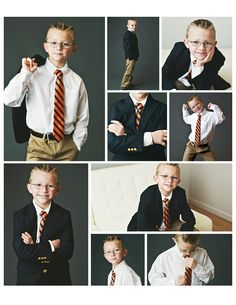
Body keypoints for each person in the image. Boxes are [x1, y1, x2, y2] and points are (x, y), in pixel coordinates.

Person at [4, 22, 89, 161]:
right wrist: (25, 73)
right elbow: (9, 100)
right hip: (38, 145)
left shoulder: (77, 81)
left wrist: (77, 144)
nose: (59, 47)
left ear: (74, 49)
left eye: (65, 44)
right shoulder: (32, 74)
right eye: (54, 42)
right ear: (46, 46)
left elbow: (83, 117)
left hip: (67, 146)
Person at [13, 164, 74, 285]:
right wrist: (51, 245)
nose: (44, 190)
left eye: (50, 186)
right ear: (29, 188)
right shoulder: (20, 216)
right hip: (28, 280)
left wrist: (33, 245)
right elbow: (21, 252)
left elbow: (67, 252)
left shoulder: (64, 215)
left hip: (58, 279)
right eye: (38, 185)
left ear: (57, 189)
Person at [162, 18, 231, 90]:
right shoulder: (179, 49)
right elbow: (165, 74)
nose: (201, 48)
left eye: (208, 43)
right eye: (195, 42)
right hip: (177, 81)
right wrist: (172, 91)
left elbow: (203, 88)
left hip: (197, 84)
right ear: (187, 43)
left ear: (214, 44)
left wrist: (199, 65)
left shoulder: (218, 58)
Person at [127, 163, 196, 231]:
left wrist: (183, 231)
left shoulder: (180, 193)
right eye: (165, 176)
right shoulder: (148, 195)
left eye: (174, 177)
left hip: (170, 223)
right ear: (156, 178)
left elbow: (190, 219)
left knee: (194, 230)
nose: (170, 181)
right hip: (147, 226)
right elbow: (143, 226)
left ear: (178, 181)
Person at [108, 92, 167, 161]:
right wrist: (150, 137)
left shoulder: (163, 108)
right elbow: (112, 144)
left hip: (152, 160)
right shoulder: (116, 107)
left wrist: (125, 136)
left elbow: (161, 143)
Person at [148, 234, 215, 285]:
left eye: (192, 250)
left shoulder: (202, 253)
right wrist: (173, 282)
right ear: (174, 240)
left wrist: (197, 267)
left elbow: (210, 277)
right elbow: (153, 279)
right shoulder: (165, 257)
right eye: (183, 250)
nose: (188, 253)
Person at [182, 95, 225, 161]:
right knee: (185, 162)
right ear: (191, 109)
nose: (196, 107)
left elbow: (221, 118)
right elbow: (186, 119)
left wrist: (214, 107)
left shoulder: (211, 116)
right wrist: (184, 110)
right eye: (193, 107)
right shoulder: (192, 117)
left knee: (213, 163)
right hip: (191, 146)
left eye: (197, 104)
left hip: (204, 147)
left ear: (202, 102)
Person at [120, 18, 139, 90]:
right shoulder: (128, 35)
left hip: (133, 56)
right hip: (130, 57)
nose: (134, 27)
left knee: (130, 71)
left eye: (135, 25)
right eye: (132, 25)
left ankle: (129, 83)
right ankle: (124, 86)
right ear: (127, 26)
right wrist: (130, 57)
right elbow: (127, 47)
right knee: (128, 72)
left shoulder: (132, 34)